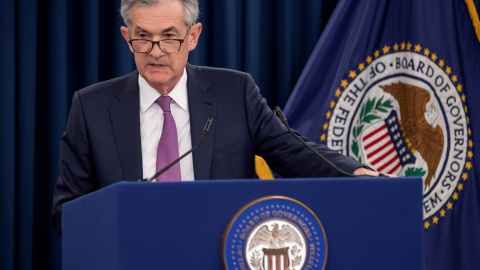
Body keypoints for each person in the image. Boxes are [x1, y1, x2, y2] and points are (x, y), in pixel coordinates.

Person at [51, 0, 380, 237]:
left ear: (193, 36)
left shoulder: (234, 92)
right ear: (127, 37)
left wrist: (356, 172)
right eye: (143, 37)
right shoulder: (91, 107)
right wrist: (122, 219)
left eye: (169, 36)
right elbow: (66, 211)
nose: (155, 51)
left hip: (220, 253)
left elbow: (293, 152)